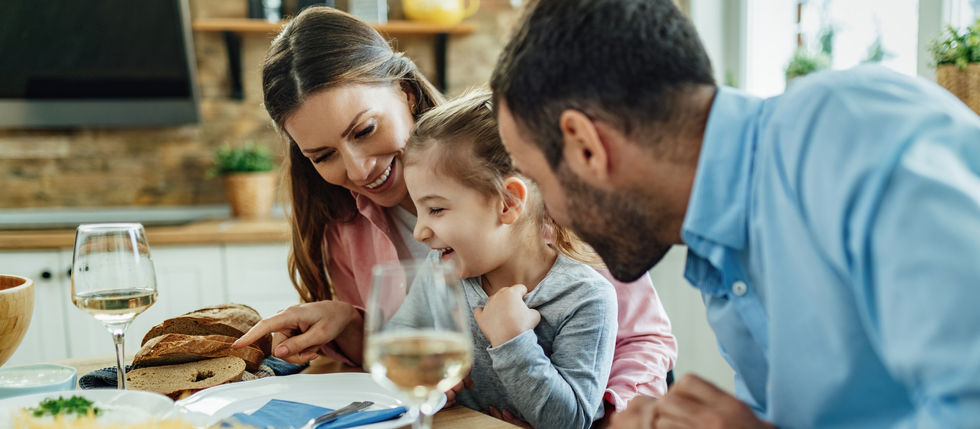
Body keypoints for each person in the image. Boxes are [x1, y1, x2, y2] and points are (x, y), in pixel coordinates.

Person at [489, 0, 980, 427]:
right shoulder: (719, 251)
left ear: (586, 147)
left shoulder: (852, 136)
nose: (547, 212)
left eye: (538, 180)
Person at [232, 5, 677, 414]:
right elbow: (403, 359)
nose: (358, 168)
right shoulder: (342, 228)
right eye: (322, 155)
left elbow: (644, 339)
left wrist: (600, 419)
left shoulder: (536, 176)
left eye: (365, 129)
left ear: (405, 93)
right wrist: (348, 323)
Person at [390, 89, 617, 429]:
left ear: (508, 202)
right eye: (420, 210)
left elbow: (569, 422)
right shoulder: (441, 271)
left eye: (435, 208)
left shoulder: (584, 298)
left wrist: (513, 341)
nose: (419, 231)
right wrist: (421, 374)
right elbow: (400, 341)